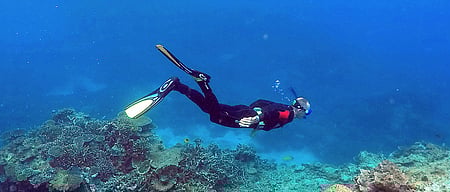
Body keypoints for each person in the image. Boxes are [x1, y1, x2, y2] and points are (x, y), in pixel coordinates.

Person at [124, 45, 311, 131]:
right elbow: (273, 112)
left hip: (244, 110)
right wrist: (256, 117)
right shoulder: (290, 114)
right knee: (215, 116)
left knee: (209, 108)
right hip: (244, 116)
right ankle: (203, 82)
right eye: (308, 113)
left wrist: (254, 112)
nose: (305, 116)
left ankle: (177, 86)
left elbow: (262, 102)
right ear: (300, 109)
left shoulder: (284, 107)